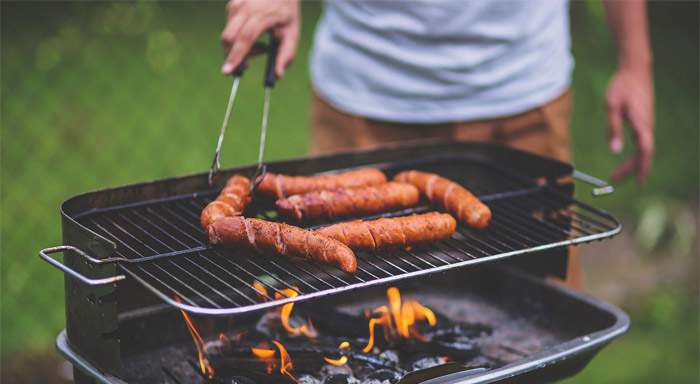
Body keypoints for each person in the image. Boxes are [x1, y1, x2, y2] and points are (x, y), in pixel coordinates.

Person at [220, 0, 654, 289]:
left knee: (542, 308)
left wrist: (635, 62)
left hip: (522, 93)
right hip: (364, 92)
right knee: (341, 309)